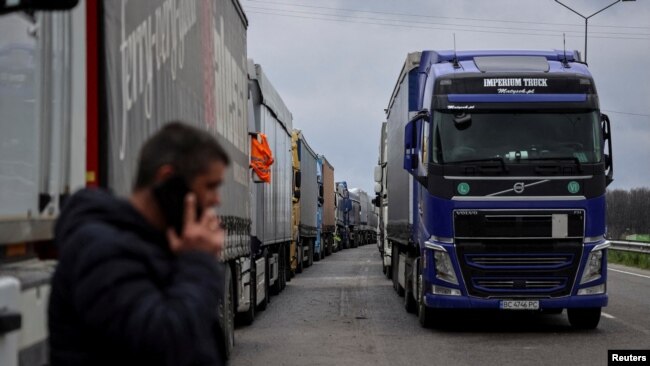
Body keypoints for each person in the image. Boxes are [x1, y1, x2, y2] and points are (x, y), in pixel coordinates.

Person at [48, 122, 230, 366]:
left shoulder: (160, 243)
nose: (216, 200)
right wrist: (199, 262)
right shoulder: (101, 249)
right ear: (168, 179)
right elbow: (164, 344)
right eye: (210, 186)